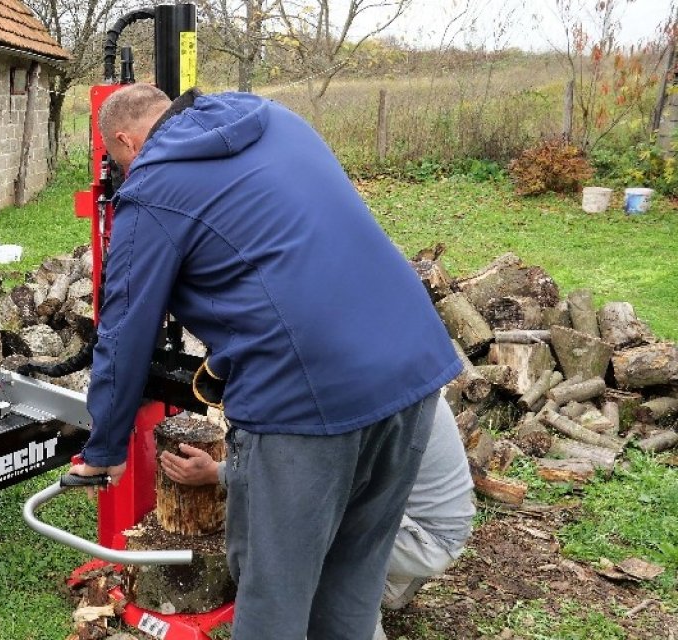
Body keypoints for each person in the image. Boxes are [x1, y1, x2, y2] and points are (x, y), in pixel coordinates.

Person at [67, 83, 464, 639]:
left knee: (273, 598)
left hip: (308, 399)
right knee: (351, 578)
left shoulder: (152, 187)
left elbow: (124, 331)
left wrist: (105, 448)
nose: (122, 175)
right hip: (414, 371)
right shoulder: (275, 120)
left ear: (127, 142)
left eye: (117, 162)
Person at [160, 394, 475, 640]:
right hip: (437, 519)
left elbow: (302, 480)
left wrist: (217, 472)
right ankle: (395, 585)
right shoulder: (384, 373)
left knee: (313, 559)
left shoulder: (338, 396)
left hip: (427, 536)